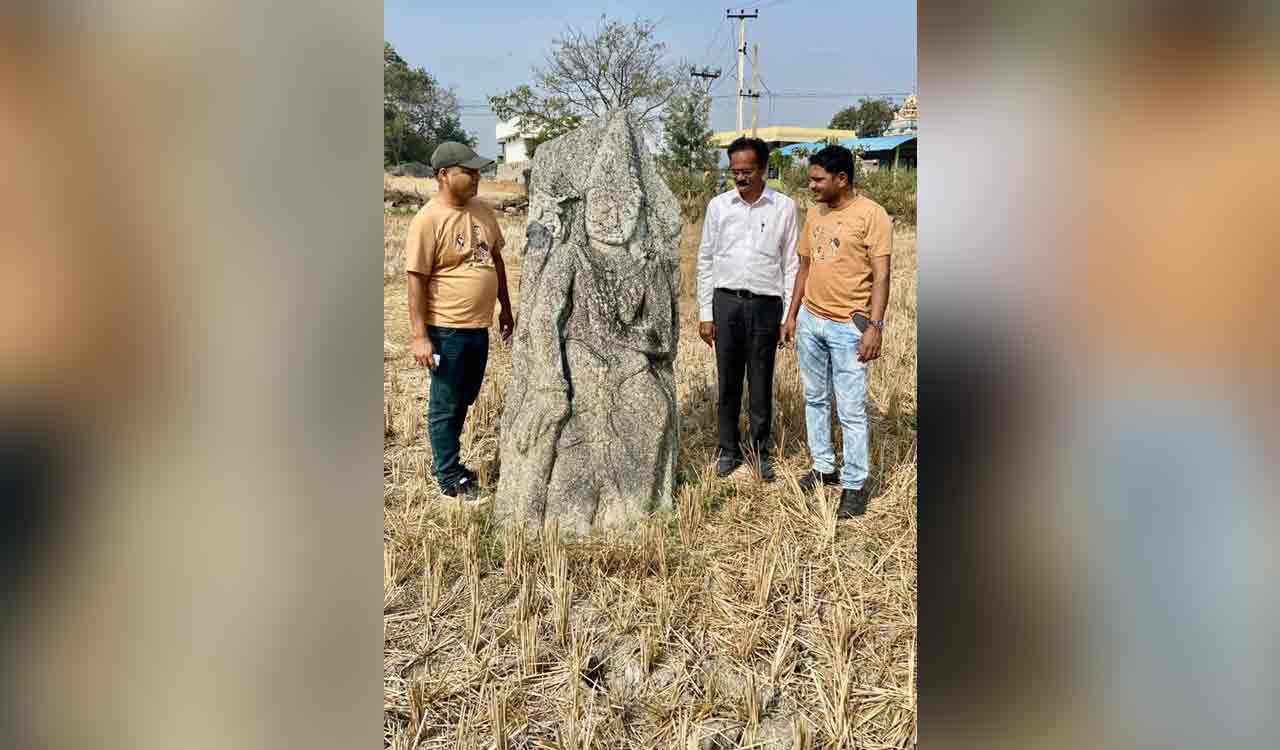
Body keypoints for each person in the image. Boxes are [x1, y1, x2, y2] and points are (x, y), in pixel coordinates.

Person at [781, 144, 892, 517]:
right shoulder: (815, 214)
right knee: (814, 398)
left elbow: (882, 276)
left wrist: (874, 328)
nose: (811, 186)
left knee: (851, 409)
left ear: (841, 179)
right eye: (811, 179)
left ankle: (855, 485)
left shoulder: (872, 216)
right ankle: (824, 467)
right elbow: (804, 268)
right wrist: (791, 316)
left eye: (818, 180)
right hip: (812, 321)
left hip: (850, 327)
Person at [405, 141, 515, 496]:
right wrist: (420, 336)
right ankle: (449, 476)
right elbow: (416, 280)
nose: (476, 177)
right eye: (468, 172)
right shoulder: (428, 220)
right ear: (443, 175)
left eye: (478, 171)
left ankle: (452, 462)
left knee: (466, 397)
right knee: (446, 403)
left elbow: (496, 261)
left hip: (478, 328)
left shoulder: (483, 211)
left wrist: (506, 308)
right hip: (446, 330)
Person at [696, 137, 800, 480]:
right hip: (725, 304)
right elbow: (705, 260)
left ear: (764, 169)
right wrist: (706, 314)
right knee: (727, 384)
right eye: (735, 171)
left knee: (760, 382)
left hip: (765, 307)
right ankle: (728, 449)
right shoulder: (718, 206)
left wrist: (788, 316)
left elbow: (791, 264)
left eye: (747, 171)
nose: (740, 178)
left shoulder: (783, 207)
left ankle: (759, 451)